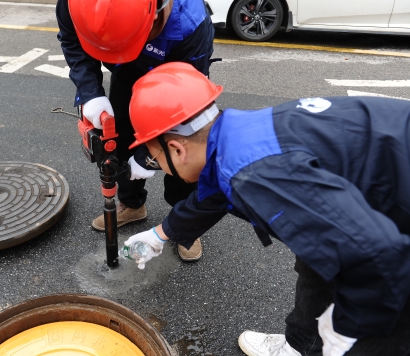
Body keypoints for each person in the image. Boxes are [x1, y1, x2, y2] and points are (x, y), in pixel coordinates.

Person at [122, 62, 410, 356]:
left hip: (395, 223)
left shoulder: (257, 175)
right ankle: (301, 344)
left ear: (177, 149)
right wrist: (161, 234)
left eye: (156, 160)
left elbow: (382, 259)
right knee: (319, 261)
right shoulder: (237, 134)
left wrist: (347, 331)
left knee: (374, 330)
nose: (161, 169)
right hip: (375, 190)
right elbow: (215, 190)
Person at [56, 0, 216, 261]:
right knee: (120, 139)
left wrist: (148, 158)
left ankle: (183, 222)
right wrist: (90, 94)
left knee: (180, 153)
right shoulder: (75, 5)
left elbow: (183, 110)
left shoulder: (189, 24)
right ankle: (132, 205)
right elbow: (72, 41)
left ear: (157, 11)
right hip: (125, 72)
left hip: (174, 73)